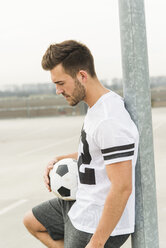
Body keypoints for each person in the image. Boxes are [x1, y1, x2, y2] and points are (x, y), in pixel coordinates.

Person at [23, 40, 139, 248]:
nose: (58, 91)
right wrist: (59, 159)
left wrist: (96, 243)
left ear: (82, 76)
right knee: (31, 221)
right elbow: (96, 153)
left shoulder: (109, 119)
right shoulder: (96, 108)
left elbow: (122, 187)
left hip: (95, 220)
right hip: (80, 204)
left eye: (60, 83)